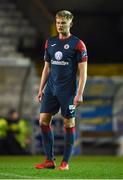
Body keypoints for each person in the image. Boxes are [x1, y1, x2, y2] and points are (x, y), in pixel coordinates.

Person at [35, 10, 88, 170]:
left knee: (68, 123)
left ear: (70, 24)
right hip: (51, 88)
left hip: (68, 91)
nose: (59, 26)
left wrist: (79, 94)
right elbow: (47, 67)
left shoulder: (78, 44)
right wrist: (41, 88)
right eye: (58, 23)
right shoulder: (49, 42)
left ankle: (65, 162)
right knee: (43, 121)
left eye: (63, 23)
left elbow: (83, 71)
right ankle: (49, 160)